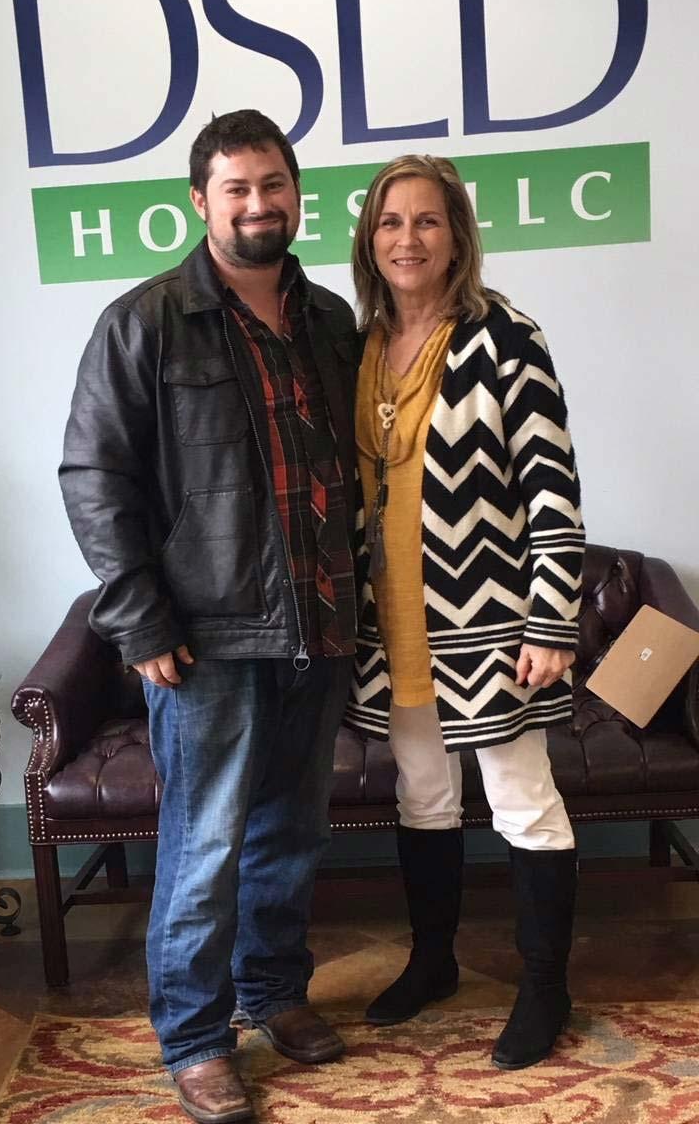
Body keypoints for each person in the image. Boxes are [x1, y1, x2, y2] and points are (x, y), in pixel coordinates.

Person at [59, 110, 358, 1124]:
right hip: (206, 639)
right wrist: (139, 623)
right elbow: (94, 479)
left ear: (295, 192)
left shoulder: (328, 319)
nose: (257, 203)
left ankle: (274, 989)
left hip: (317, 627)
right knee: (206, 845)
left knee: (294, 830)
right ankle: (194, 1038)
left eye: (272, 183)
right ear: (200, 200)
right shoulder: (144, 321)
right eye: (235, 188)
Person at [345, 154, 585, 1071]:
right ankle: (434, 962)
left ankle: (543, 986)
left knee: (523, 801)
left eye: (427, 221)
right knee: (425, 796)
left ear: (457, 235)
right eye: (390, 222)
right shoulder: (360, 342)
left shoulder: (505, 336)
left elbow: (551, 484)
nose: (408, 238)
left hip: (486, 619)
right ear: (371, 239)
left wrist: (551, 618)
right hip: (390, 626)